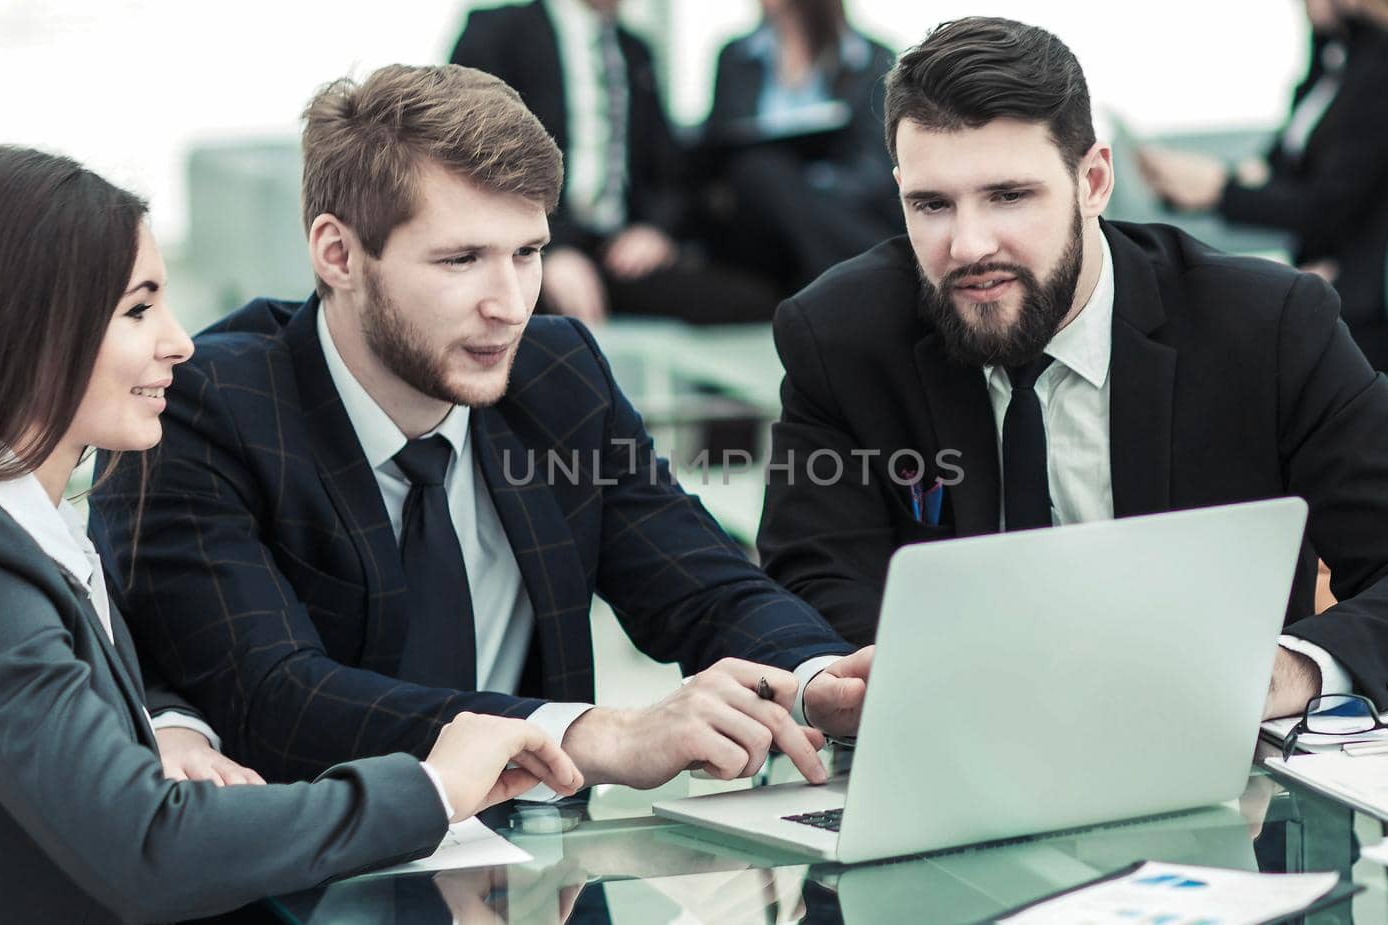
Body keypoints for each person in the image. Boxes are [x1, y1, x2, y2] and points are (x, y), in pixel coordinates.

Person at [90, 64, 872, 795]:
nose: (510, 303)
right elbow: (273, 694)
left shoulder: (559, 374)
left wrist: (817, 680)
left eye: (528, 252)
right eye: (462, 259)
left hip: (545, 874)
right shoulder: (201, 407)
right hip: (319, 876)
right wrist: (600, 735)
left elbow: (701, 583)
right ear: (338, 253)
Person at [754, 17, 1388, 719]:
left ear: (1093, 182)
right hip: (952, 751)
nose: (969, 245)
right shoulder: (840, 336)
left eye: (1009, 196)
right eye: (932, 205)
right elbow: (809, 584)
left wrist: (1288, 670)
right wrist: (832, 678)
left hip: (1220, 778)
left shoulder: (1266, 328)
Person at [0, 145, 583, 923]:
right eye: (138, 310)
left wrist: (163, 724)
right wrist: (434, 787)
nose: (179, 341)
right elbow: (149, 845)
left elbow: (72, 680)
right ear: (27, 333)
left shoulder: (29, 531)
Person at [1137, 0, 1388, 373]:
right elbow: (1298, 166)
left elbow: (1332, 205)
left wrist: (1221, 191)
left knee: (1188, 334)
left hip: (1387, 310)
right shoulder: (1364, 57)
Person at [448, 0, 781, 325]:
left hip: (617, 252)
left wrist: (656, 230)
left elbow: (671, 171)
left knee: (752, 301)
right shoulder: (496, 32)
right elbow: (475, 159)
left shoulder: (635, 52)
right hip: (527, 242)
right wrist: (544, 249)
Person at [702, 0, 900, 291]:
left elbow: (876, 163)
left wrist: (810, 190)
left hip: (844, 204)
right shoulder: (735, 58)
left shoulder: (870, 58)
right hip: (758, 226)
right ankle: (883, 276)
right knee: (760, 170)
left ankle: (854, 280)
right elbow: (716, 150)